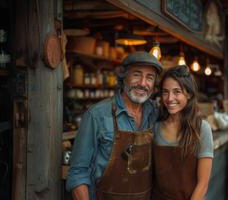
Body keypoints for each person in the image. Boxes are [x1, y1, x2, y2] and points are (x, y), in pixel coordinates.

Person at [66, 51, 163, 200]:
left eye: (149, 77)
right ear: (124, 76)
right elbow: (78, 173)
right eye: (137, 74)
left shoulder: (156, 114)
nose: (143, 83)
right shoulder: (97, 115)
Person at [152, 65, 214, 200]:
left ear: (189, 94)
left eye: (176, 92)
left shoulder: (202, 129)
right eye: (165, 92)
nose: (169, 98)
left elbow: (202, 184)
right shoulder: (155, 127)